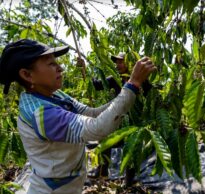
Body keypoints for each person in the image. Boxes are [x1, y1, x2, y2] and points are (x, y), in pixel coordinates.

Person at [0, 39, 156, 194]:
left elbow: (92, 113)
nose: (60, 68)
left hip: (69, 185)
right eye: (51, 64)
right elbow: (97, 128)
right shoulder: (41, 114)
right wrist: (132, 84)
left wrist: (128, 92)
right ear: (27, 75)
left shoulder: (54, 95)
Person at [87, 52, 152, 178]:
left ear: (129, 63)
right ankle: (102, 171)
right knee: (105, 139)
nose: (117, 64)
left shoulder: (139, 78)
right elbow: (97, 85)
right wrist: (85, 68)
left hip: (133, 120)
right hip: (117, 117)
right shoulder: (115, 79)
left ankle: (129, 179)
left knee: (132, 147)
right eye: (116, 62)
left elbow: (150, 94)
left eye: (121, 61)